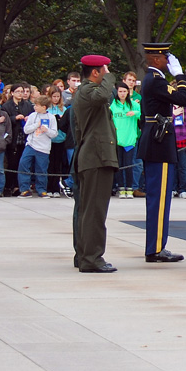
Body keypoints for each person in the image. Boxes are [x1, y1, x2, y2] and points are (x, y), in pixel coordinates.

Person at [137, 41, 186, 263]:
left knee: (159, 197)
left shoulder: (153, 80)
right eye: (167, 58)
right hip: (159, 143)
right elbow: (185, 99)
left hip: (157, 140)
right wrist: (181, 76)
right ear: (157, 59)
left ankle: (156, 245)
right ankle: (156, 248)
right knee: (159, 199)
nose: (170, 62)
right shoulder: (156, 81)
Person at [71, 55, 120, 273]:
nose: (106, 75)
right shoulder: (89, 91)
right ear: (95, 73)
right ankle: (91, 258)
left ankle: (84, 254)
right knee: (94, 212)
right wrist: (110, 77)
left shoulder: (86, 92)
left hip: (93, 157)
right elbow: (102, 96)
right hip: (96, 157)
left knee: (87, 210)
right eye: (103, 71)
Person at [18, 95, 56, 197]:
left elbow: (54, 133)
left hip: (44, 148)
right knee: (24, 164)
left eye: (37, 105)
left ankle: (42, 189)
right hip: (31, 145)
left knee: (41, 169)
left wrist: (46, 130)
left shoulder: (51, 118)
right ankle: (25, 189)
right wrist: (36, 125)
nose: (35, 107)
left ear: (44, 107)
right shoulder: (32, 116)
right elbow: (26, 130)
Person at [110, 83, 140, 198]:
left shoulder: (133, 105)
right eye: (120, 91)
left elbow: (142, 115)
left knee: (129, 165)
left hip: (130, 140)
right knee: (119, 165)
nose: (122, 94)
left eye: (124, 91)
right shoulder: (113, 105)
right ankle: (121, 188)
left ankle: (129, 188)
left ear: (128, 92)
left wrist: (135, 113)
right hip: (117, 140)